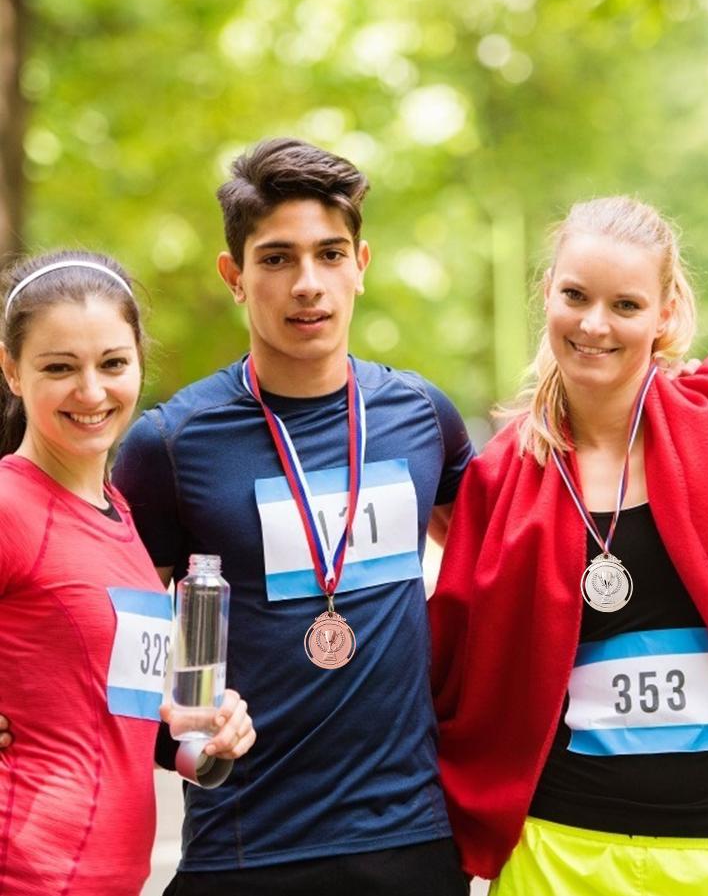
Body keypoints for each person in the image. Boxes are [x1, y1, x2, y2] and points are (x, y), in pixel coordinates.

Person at [430, 196, 708, 895]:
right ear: (548, 295)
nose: (594, 324)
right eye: (575, 296)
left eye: (625, 304)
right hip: (557, 854)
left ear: (664, 313)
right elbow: (453, 665)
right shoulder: (499, 477)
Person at [108, 139, 474, 895]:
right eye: (276, 258)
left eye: (329, 254)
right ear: (234, 276)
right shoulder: (171, 444)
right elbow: (108, 640)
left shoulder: (420, 416)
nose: (308, 284)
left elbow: (508, 564)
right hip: (245, 848)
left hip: (410, 840)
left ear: (360, 264)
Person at [0, 251, 256, 896]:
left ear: (139, 362)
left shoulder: (121, 516)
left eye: (112, 363)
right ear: (11, 371)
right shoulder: (9, 505)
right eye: (59, 367)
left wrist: (203, 738)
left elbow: (113, 711)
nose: (91, 392)